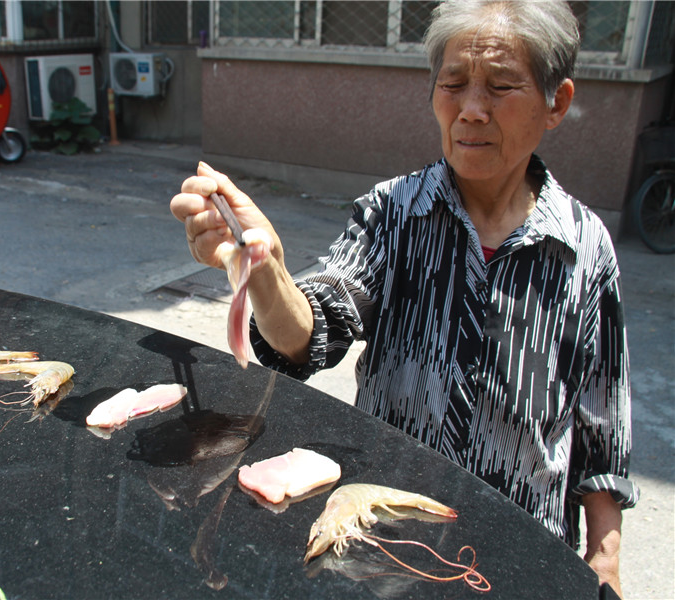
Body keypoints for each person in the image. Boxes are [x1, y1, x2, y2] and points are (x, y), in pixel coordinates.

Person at [170, 0, 638, 596]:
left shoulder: (585, 247)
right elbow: (308, 335)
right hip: (383, 544)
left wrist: (605, 560)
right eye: (453, 84)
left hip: (522, 551)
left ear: (557, 103)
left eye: (500, 87)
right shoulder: (395, 213)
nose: (471, 110)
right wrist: (264, 270)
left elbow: (602, 423)